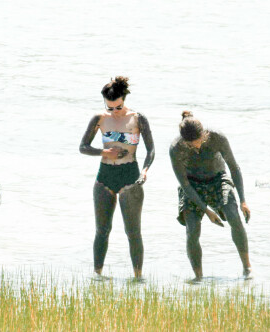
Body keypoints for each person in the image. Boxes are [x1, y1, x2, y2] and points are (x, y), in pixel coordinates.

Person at [80, 76, 155, 279]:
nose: (114, 111)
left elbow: (151, 150)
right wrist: (104, 153)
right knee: (102, 231)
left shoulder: (138, 118)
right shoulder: (100, 118)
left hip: (130, 176)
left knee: (133, 233)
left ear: (124, 99)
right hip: (104, 177)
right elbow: (83, 147)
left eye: (118, 107)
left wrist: (145, 170)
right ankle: (97, 276)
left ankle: (138, 277)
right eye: (110, 108)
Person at [169, 111, 252, 281]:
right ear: (185, 141)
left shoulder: (217, 138)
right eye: (192, 146)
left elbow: (234, 168)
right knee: (192, 230)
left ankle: (247, 268)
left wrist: (243, 200)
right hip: (191, 185)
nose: (197, 147)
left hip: (217, 179)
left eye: (199, 142)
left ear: (204, 134)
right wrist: (206, 210)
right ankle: (198, 277)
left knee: (234, 217)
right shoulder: (176, 148)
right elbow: (184, 184)